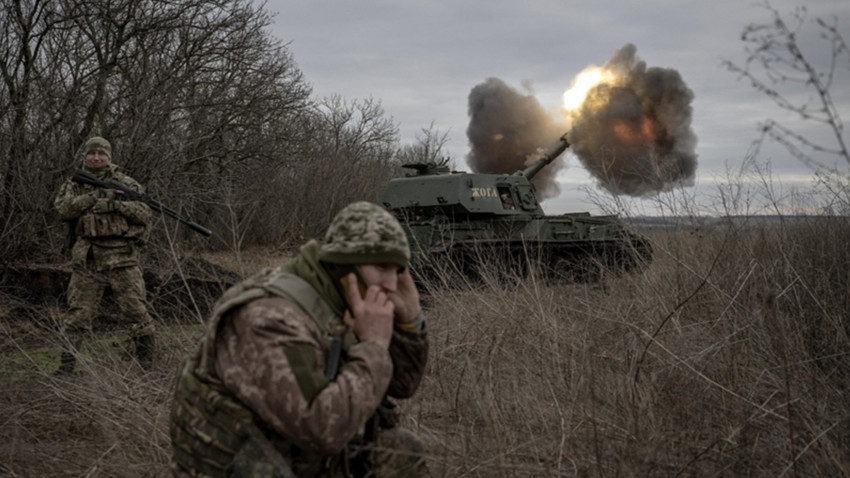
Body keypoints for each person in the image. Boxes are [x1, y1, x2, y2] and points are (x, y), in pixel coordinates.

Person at [170, 201, 429, 477]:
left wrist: (410, 320)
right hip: (246, 466)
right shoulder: (270, 318)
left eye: (397, 270)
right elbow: (321, 430)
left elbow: (402, 385)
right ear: (344, 266)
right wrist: (374, 346)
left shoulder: (345, 300)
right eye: (381, 267)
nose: (390, 284)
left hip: (295, 455)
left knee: (400, 450)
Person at [54, 136, 155, 373]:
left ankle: (148, 367)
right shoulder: (74, 184)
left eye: (102, 154)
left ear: (109, 157)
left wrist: (117, 205)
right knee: (78, 315)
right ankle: (65, 370)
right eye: (92, 153)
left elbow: (145, 213)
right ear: (86, 156)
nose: (96, 157)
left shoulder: (125, 183)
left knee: (136, 311)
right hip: (87, 258)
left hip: (123, 257)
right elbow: (62, 210)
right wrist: (92, 197)